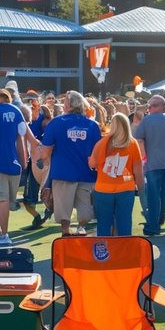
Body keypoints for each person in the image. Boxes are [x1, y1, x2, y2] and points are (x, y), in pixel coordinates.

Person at [39, 90, 100, 237]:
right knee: (85, 205)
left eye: (65, 101)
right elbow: (97, 151)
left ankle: (65, 231)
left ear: (69, 105)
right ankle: (81, 227)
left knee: (62, 205)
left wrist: (44, 161)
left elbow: (45, 152)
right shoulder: (92, 125)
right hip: (87, 172)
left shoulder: (56, 123)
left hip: (63, 172)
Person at [0, 88, 28, 246]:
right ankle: (0, 232)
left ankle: (3, 235)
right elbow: (21, 139)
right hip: (14, 163)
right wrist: (24, 161)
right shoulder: (17, 111)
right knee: (5, 201)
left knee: (0, 199)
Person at [136, 94, 165, 235]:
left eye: (153, 105)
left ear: (163, 106)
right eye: (149, 106)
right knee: (163, 194)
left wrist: (144, 157)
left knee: (153, 195)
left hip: (152, 164)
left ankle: (153, 226)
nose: (150, 108)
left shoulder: (146, 121)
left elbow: (139, 140)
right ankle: (159, 221)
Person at [90, 112, 143, 236]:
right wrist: (141, 189)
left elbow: (92, 164)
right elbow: (138, 170)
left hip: (103, 189)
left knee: (103, 224)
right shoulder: (133, 143)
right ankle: (125, 251)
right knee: (124, 223)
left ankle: (104, 253)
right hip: (126, 188)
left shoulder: (101, 143)